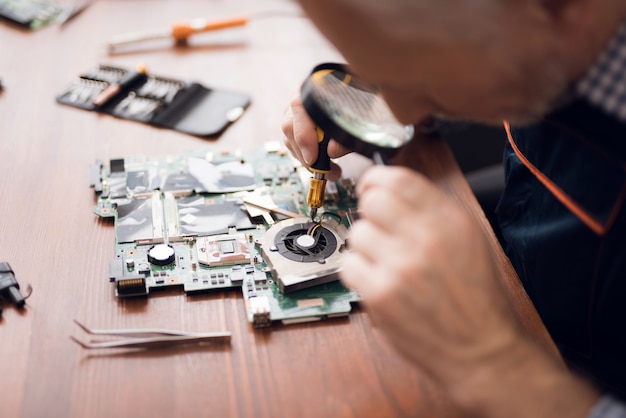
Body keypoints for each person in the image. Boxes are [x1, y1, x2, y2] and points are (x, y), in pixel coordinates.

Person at [281, 0, 626, 416]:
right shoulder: (549, 47)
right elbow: (517, 59)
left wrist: (493, 363)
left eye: (415, 85)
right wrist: (392, 76)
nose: (400, 113)